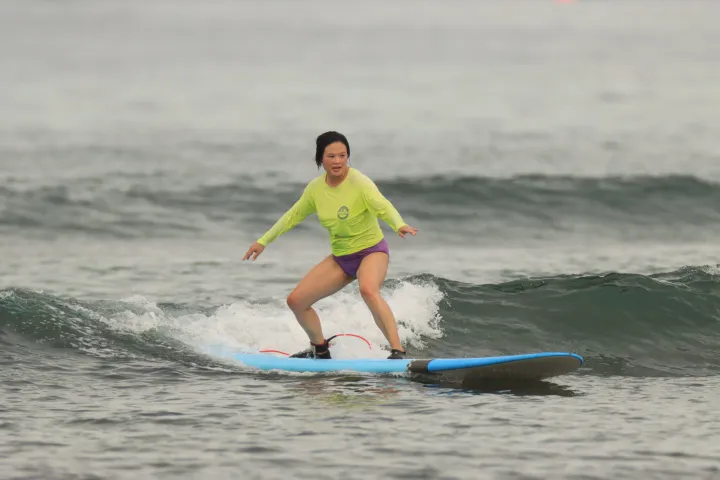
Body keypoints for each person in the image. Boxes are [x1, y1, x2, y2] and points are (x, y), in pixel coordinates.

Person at [243, 131, 418, 360]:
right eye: (331, 156)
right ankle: (320, 349)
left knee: (368, 290)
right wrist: (262, 241)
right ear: (320, 159)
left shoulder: (359, 182)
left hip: (371, 251)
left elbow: (382, 205)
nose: (337, 161)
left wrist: (399, 224)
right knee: (296, 301)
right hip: (341, 258)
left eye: (343, 155)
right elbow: (292, 216)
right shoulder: (315, 190)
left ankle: (398, 351)